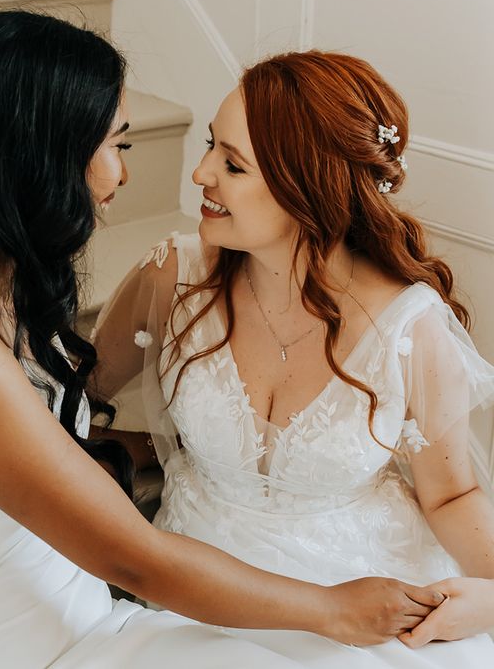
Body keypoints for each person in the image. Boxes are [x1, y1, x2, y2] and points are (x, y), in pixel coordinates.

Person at [0, 13, 441, 669]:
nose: (123, 176)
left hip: (79, 620)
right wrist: (333, 609)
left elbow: (37, 449)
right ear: (39, 157)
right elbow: (133, 558)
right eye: (117, 146)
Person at [91, 50, 494, 666]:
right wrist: (131, 451)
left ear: (308, 187)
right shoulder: (173, 276)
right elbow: (73, 400)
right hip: (198, 593)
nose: (200, 174)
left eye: (232, 164)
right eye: (209, 148)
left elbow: (450, 495)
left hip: (365, 599)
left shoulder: (408, 326)